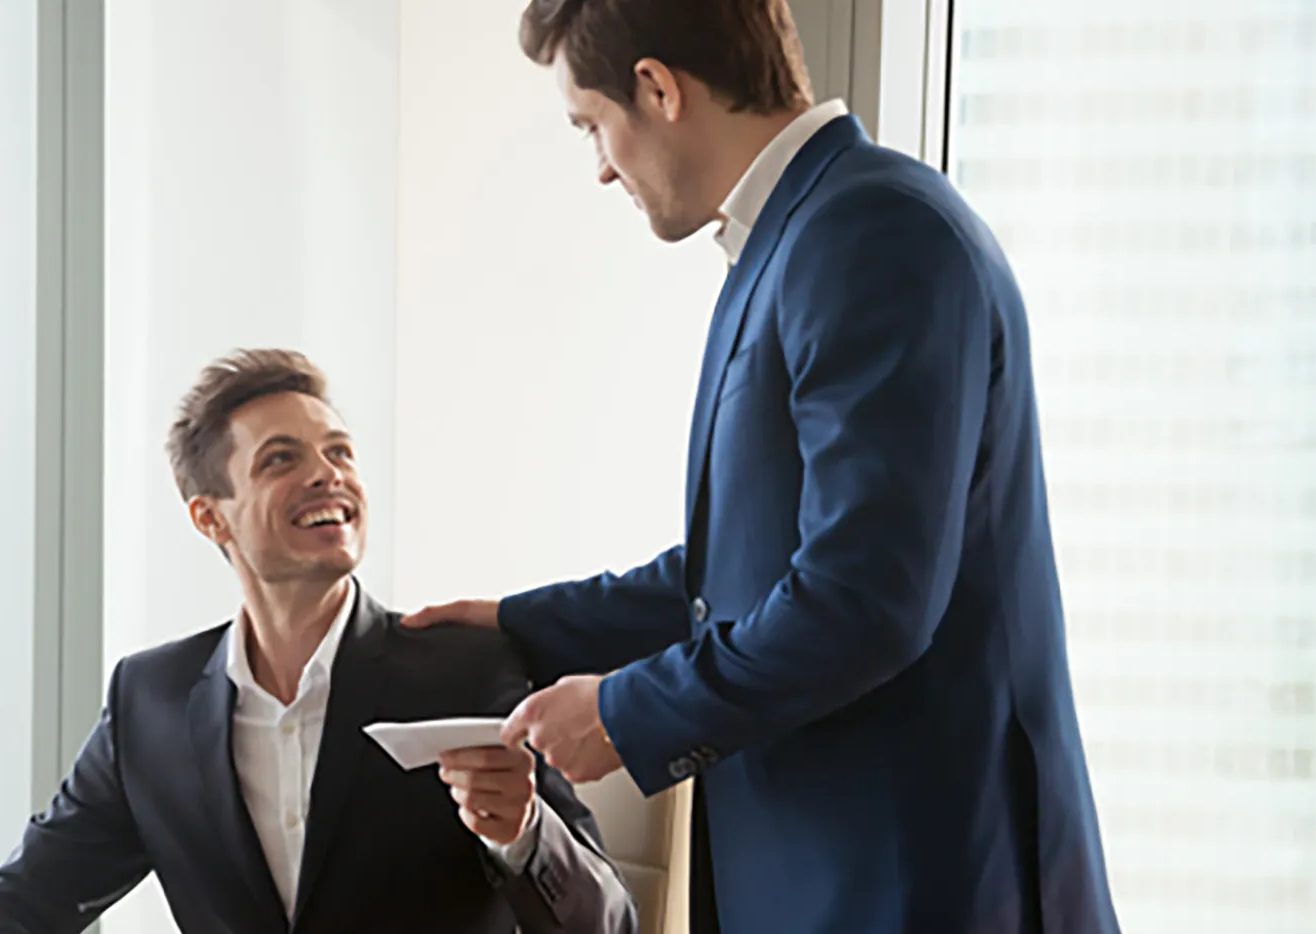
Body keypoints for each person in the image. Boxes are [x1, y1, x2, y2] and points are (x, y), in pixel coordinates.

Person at [405, 2, 1120, 932]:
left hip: (914, 882)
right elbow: (740, 575)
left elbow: (863, 602)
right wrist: (518, 624)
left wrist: (622, 713)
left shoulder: (872, 234)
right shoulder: (801, 238)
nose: (602, 167)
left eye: (594, 127)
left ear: (658, 88)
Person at [0, 349, 635, 934]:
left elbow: (611, 924)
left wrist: (521, 832)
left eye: (339, 452)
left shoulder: (470, 669)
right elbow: (28, 898)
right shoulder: (149, 701)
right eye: (281, 459)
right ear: (211, 519)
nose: (328, 473)